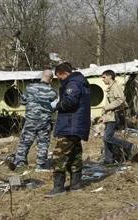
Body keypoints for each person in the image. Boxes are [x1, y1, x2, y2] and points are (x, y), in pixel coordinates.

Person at [45, 62, 91, 198]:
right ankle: (76, 185)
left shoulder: (72, 84)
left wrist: (57, 105)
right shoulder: (81, 82)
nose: (58, 79)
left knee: (59, 157)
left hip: (70, 125)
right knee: (75, 156)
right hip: (77, 125)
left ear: (62, 73)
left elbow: (70, 101)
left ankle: (58, 188)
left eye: (58, 76)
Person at [8, 70, 58, 172]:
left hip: (30, 120)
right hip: (44, 122)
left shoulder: (30, 88)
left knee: (25, 142)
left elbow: (23, 101)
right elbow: (53, 108)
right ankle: (41, 165)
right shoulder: (52, 93)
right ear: (51, 80)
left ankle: (20, 163)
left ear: (41, 76)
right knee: (43, 143)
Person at [100, 70, 137, 164]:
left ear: (109, 77)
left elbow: (120, 100)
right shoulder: (110, 87)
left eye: (104, 77)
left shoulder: (115, 87)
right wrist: (104, 115)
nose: (102, 79)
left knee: (107, 137)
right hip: (110, 116)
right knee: (106, 138)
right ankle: (108, 160)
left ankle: (129, 146)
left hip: (115, 116)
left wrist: (106, 107)